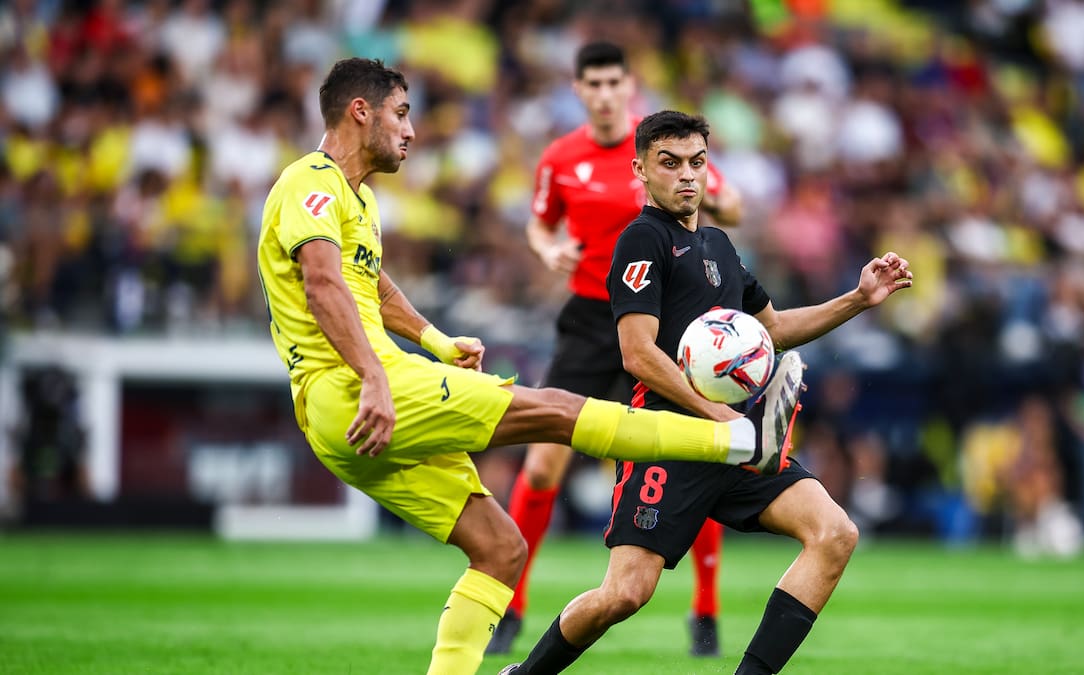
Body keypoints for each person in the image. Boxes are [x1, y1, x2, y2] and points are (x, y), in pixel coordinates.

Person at [256, 59, 798, 675]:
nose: (411, 131)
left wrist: (434, 339)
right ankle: (736, 438)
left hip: (347, 416)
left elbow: (366, 282)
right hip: (360, 389)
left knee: (500, 549)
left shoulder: (360, 202)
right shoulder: (310, 183)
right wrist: (377, 378)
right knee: (555, 412)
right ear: (361, 111)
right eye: (402, 114)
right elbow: (323, 282)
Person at [501, 111, 913, 674]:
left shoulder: (720, 245)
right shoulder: (642, 240)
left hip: (735, 440)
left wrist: (858, 299)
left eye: (697, 162)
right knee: (625, 593)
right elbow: (638, 354)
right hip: (668, 440)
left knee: (835, 533)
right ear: (641, 170)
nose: (687, 176)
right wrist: (718, 415)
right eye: (670, 163)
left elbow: (774, 328)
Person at [489, 41, 743, 658]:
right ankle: (511, 608)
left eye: (613, 82)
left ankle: (704, 611)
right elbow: (540, 221)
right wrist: (547, 249)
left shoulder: (663, 149)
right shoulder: (560, 158)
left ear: (628, 84)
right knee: (544, 464)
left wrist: (713, 198)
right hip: (589, 322)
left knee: (694, 453)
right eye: (592, 84)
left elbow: (726, 201)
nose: (604, 94)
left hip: (666, 323)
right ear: (578, 90)